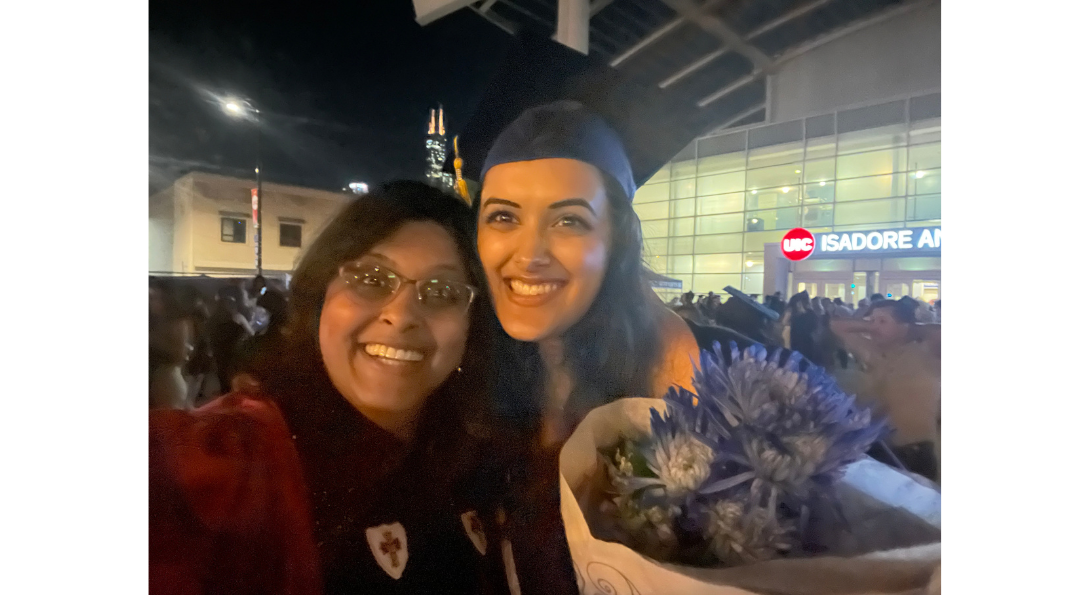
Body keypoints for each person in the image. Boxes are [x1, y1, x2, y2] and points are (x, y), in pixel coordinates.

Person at [149, 181, 510, 594]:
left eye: (442, 291)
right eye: (372, 279)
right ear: (321, 295)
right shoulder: (233, 460)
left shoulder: (482, 464)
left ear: (472, 326)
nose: (401, 315)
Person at [474, 100, 701, 594]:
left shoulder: (665, 361)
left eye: (569, 221)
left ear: (615, 239)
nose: (529, 255)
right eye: (503, 217)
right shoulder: (466, 359)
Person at [830, 299, 942, 481]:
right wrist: (876, 324)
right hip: (879, 447)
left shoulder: (926, 354)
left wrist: (912, 329)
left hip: (915, 450)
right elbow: (838, 326)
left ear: (904, 326)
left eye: (882, 321)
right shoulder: (873, 352)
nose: (874, 327)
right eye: (871, 321)